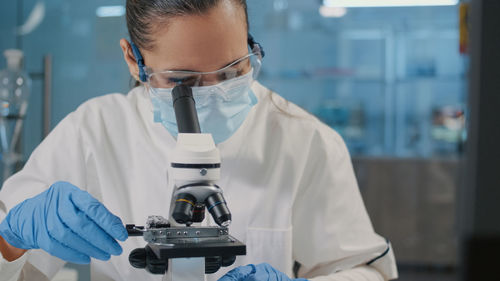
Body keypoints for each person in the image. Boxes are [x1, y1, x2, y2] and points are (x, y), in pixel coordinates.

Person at [0, 0, 398, 280]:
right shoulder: (93, 131)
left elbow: (364, 270)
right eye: (182, 82)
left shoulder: (304, 140)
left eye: (232, 71)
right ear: (132, 59)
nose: (215, 95)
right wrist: (11, 239)